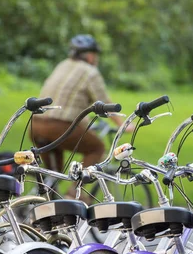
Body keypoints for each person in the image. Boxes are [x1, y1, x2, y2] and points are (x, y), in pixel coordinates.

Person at [30, 34, 130, 174]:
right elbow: (104, 102)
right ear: (89, 56)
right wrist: (122, 124)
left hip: (35, 125)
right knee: (97, 148)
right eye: (95, 55)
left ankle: (50, 194)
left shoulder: (62, 65)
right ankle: (76, 193)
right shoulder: (90, 72)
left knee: (54, 174)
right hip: (60, 127)